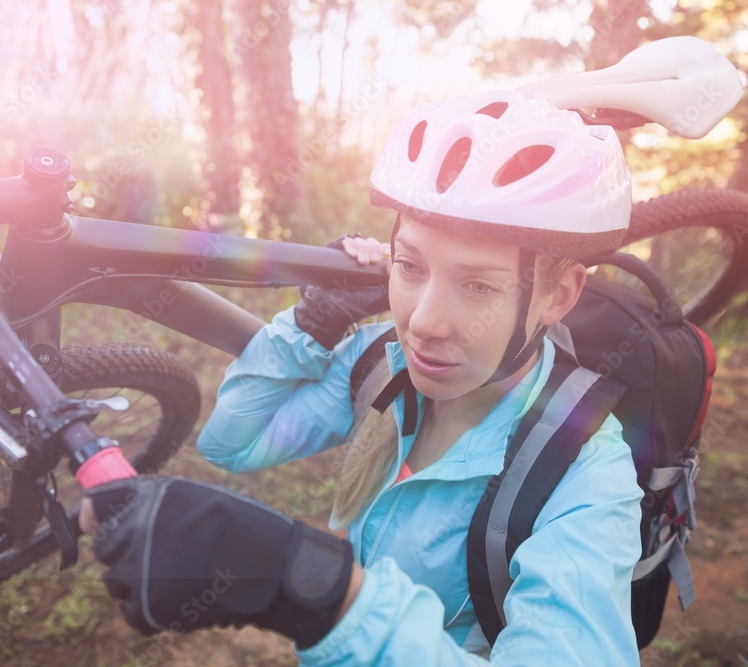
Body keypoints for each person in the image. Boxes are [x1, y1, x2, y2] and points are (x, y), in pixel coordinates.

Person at [83, 90, 644, 665]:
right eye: (410, 265)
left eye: (478, 285)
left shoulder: (585, 476)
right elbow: (233, 442)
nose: (423, 323)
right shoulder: (383, 367)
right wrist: (311, 324)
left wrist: (323, 596)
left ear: (559, 295)